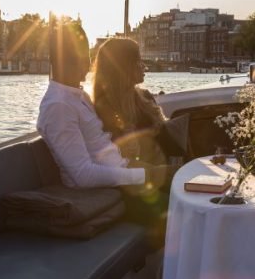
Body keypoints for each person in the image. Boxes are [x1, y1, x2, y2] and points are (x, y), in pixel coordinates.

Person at [36, 21, 173, 189]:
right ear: (68, 61)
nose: (89, 64)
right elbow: (83, 176)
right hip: (112, 187)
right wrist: (146, 175)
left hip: (125, 170)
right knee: (184, 187)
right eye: (84, 57)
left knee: (185, 178)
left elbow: (99, 148)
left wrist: (130, 154)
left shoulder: (78, 96)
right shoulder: (59, 106)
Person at [93, 38, 185, 162]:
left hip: (164, 164)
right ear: (124, 66)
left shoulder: (145, 96)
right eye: (138, 61)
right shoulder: (104, 108)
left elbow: (166, 139)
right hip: (146, 174)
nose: (144, 66)